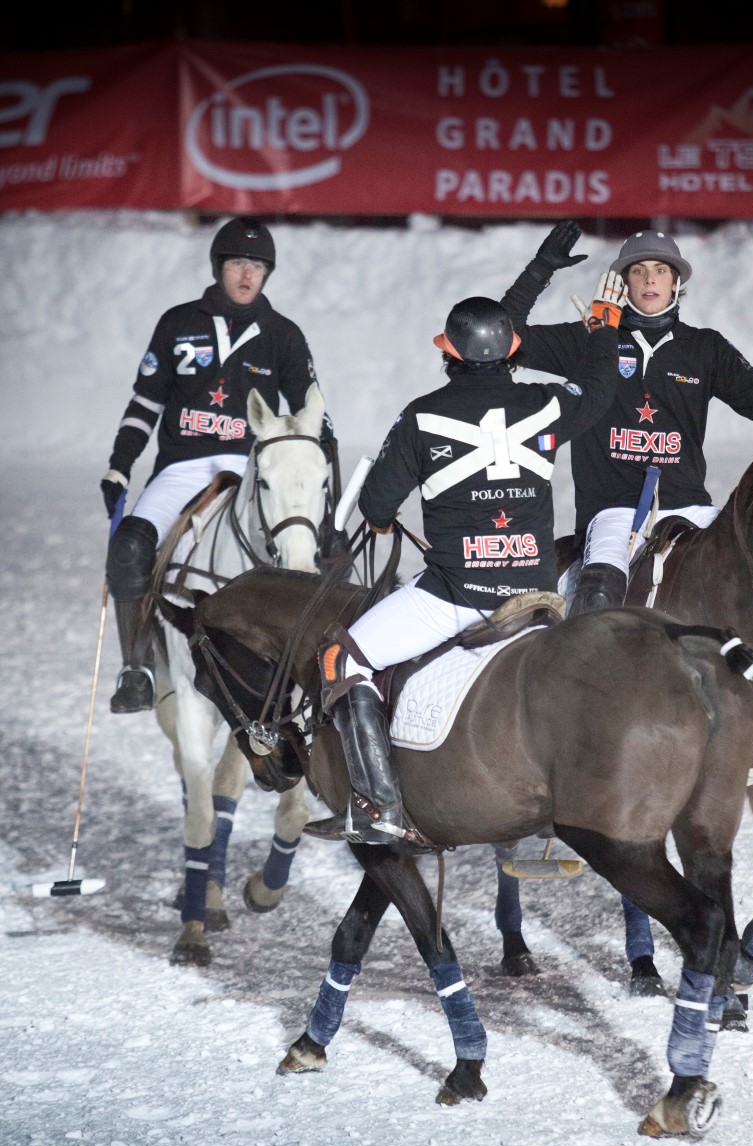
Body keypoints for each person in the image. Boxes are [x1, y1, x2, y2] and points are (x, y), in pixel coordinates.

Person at [303, 293, 618, 853]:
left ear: (447, 352)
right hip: (536, 590)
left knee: (341, 657)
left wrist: (378, 520)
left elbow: (377, 504)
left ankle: (380, 806)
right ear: (514, 349)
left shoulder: (422, 415)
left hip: (455, 596)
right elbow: (599, 388)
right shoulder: (547, 404)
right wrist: (601, 329)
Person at [501, 222, 753, 616]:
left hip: (689, 505)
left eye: (661, 270)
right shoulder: (589, 339)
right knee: (597, 597)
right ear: (623, 283)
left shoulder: (705, 347)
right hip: (613, 507)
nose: (650, 279)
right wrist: (540, 269)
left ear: (676, 282)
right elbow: (502, 337)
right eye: (638, 270)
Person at [100, 216, 339, 713]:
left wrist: (328, 488)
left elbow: (314, 417)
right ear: (219, 267)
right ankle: (137, 667)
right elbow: (146, 403)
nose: (247, 274)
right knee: (129, 547)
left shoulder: (284, 335)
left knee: (314, 547)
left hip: (249, 468)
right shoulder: (177, 323)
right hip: (182, 468)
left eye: (257, 265)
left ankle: (325, 658)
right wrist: (121, 465)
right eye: (237, 263)